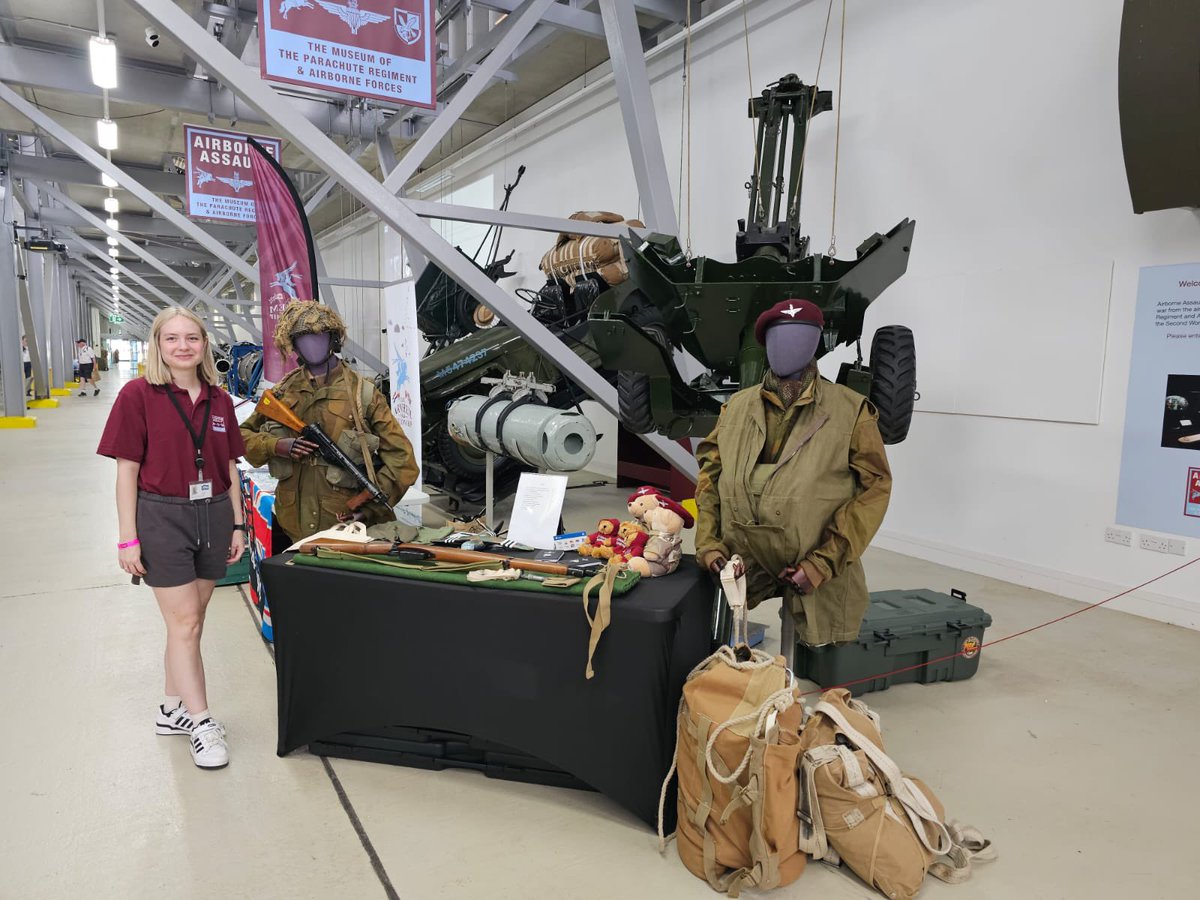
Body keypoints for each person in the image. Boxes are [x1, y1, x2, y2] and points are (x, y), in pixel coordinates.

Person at [96, 307, 247, 770]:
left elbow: (227, 467)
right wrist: (128, 539)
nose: (183, 346)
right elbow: (127, 471)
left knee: (190, 621)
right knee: (185, 625)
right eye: (172, 338)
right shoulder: (138, 395)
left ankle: (171, 710)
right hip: (162, 518)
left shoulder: (221, 401)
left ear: (204, 345)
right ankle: (201, 723)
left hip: (215, 516)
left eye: (192, 338)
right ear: (158, 345)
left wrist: (238, 524)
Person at [694, 299, 893, 647]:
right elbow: (709, 479)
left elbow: (874, 488)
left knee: (810, 654)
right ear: (764, 344)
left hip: (814, 557)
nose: (788, 347)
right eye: (777, 338)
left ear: (816, 342)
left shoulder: (850, 411)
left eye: (801, 337)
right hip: (741, 558)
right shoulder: (735, 409)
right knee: (724, 651)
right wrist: (709, 545)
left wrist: (822, 563)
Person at [240, 300, 419, 543]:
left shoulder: (362, 394)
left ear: (334, 339)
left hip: (345, 527)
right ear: (294, 345)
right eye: (303, 339)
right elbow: (241, 436)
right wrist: (276, 445)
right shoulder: (282, 393)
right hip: (293, 522)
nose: (312, 345)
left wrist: (369, 509)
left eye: (319, 337)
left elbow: (403, 461)